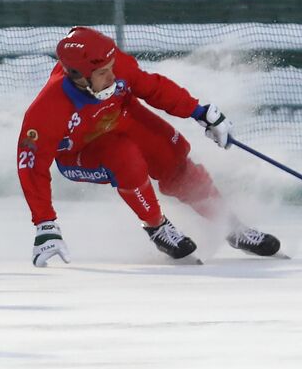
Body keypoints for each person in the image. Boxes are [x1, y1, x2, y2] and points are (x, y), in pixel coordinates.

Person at [16, 26, 280, 265]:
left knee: (173, 157)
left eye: (111, 67)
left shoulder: (116, 66)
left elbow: (153, 88)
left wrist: (200, 112)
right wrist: (45, 222)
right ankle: (157, 227)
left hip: (119, 117)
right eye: (102, 73)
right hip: (80, 152)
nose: (112, 76)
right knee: (125, 157)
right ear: (78, 77)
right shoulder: (47, 110)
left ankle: (231, 227)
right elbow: (31, 166)